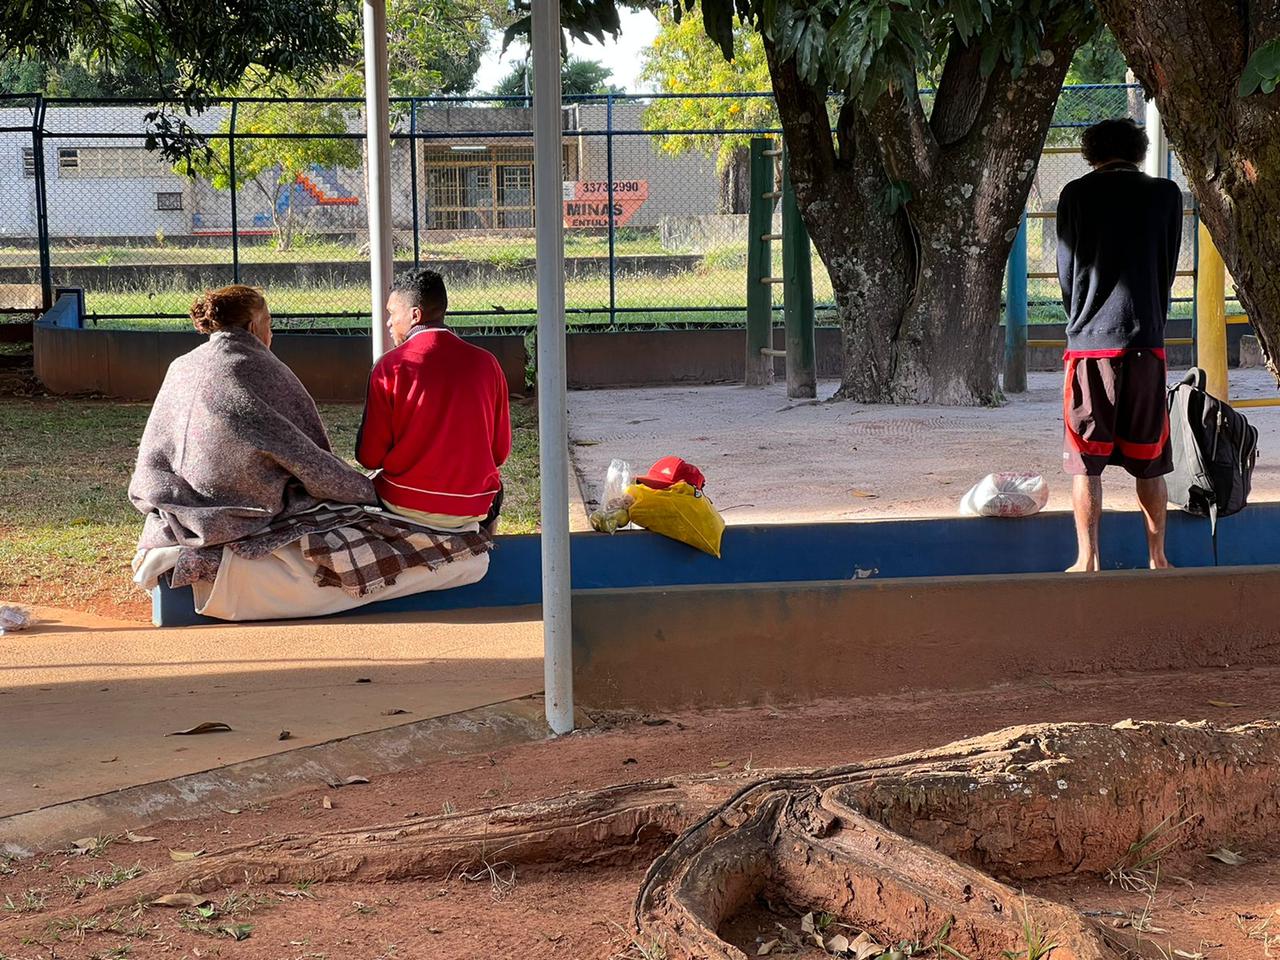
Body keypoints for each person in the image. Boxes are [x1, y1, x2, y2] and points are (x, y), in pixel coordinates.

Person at [129, 284, 491, 621]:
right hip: (244, 509)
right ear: (255, 326)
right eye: (269, 322)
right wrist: (363, 491)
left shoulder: (182, 365)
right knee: (345, 520)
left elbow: (155, 447)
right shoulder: (259, 369)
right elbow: (308, 457)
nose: (272, 333)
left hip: (177, 502)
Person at [1056, 118, 1184, 572]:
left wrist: (1083, 317)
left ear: (1092, 153)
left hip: (1090, 344)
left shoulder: (1075, 194)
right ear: (1139, 150)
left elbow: (1067, 272)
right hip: (1146, 341)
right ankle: (1158, 558)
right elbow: (1166, 266)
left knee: (1085, 462)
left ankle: (1087, 559)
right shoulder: (1167, 195)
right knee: (1151, 459)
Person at [357, 269, 512, 534]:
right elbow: (499, 452)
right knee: (497, 490)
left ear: (415, 315)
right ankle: (484, 555)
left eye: (392, 313)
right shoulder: (488, 364)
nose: (388, 323)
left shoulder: (390, 367)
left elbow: (369, 457)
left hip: (402, 504)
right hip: (473, 506)